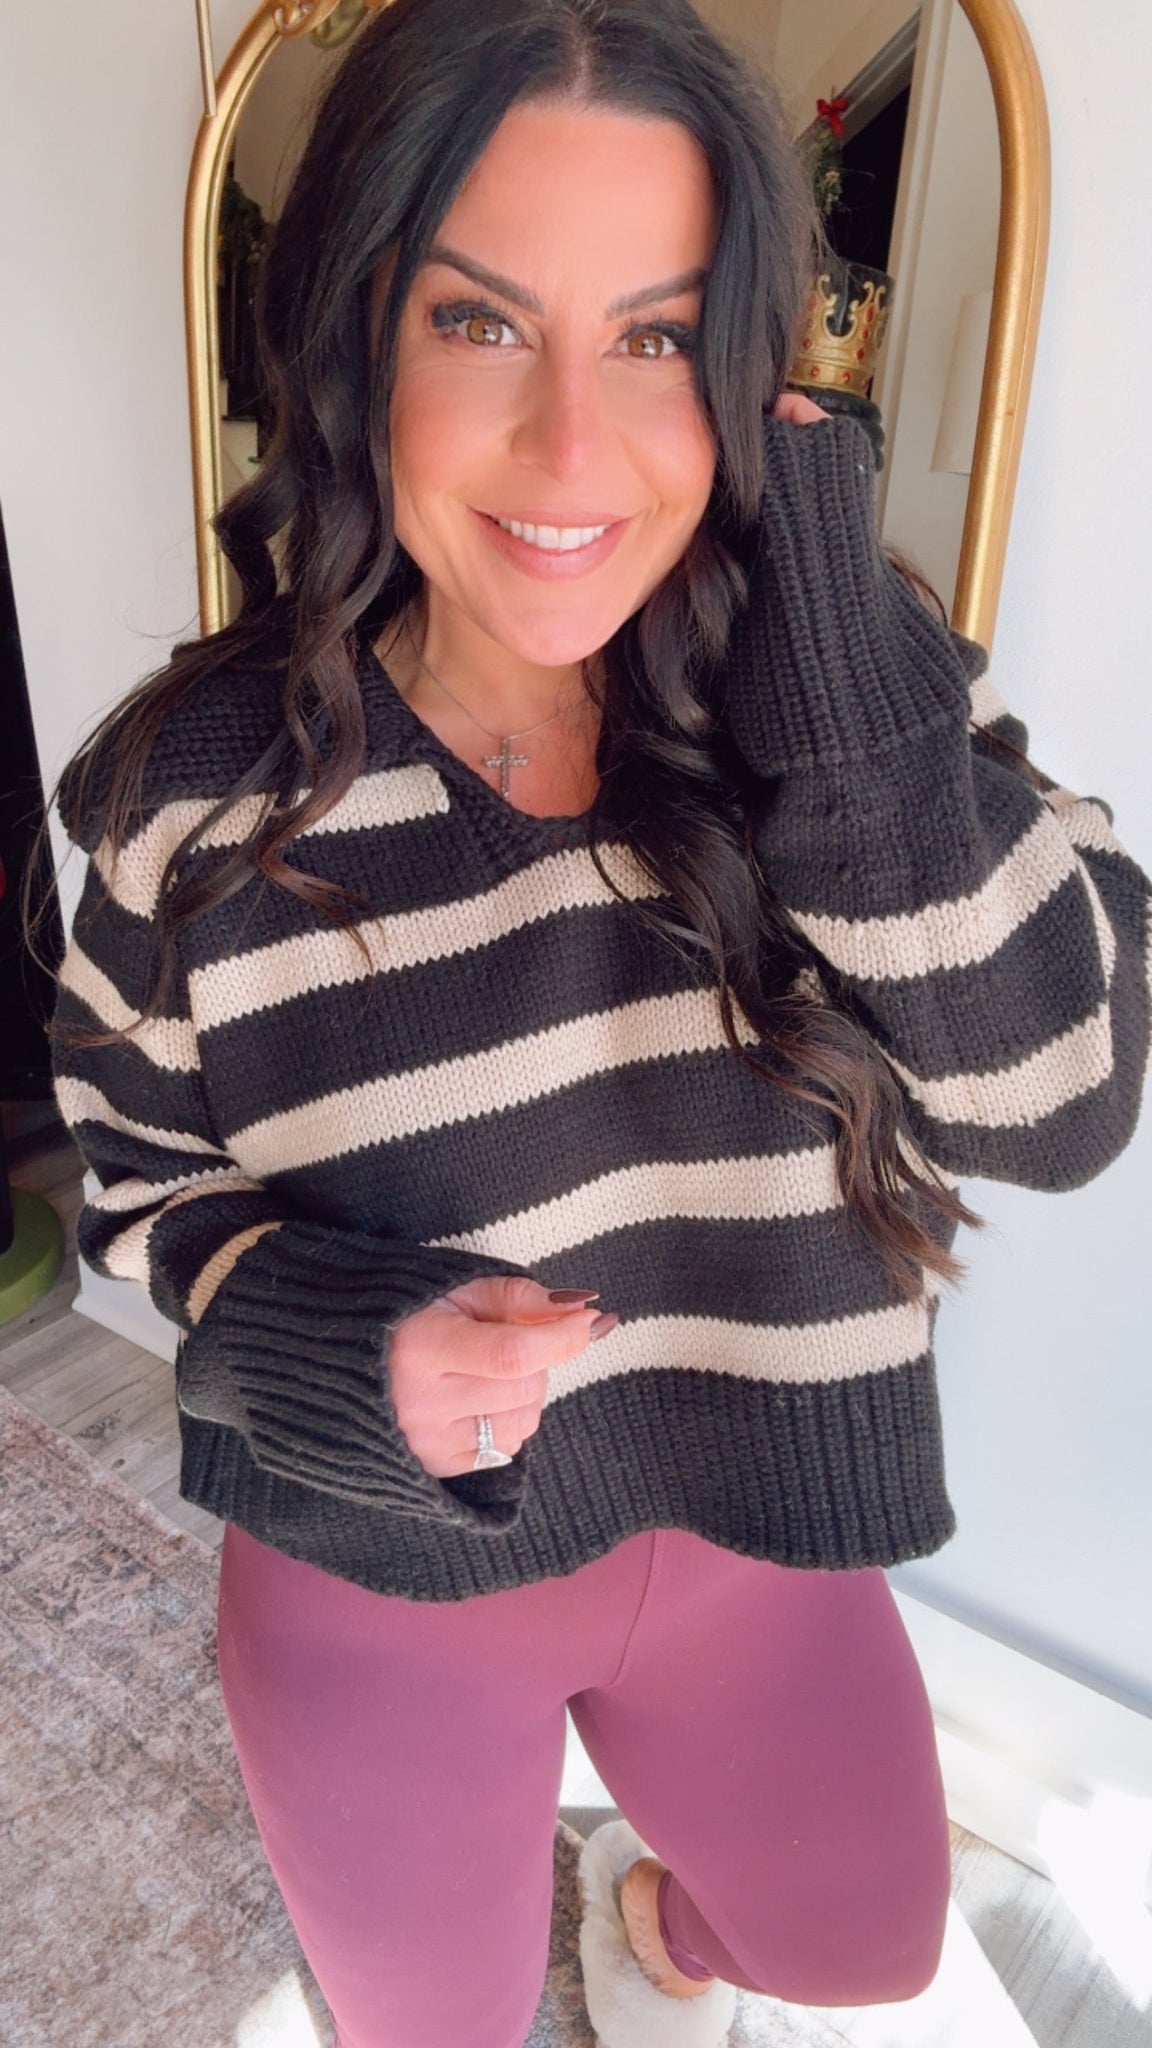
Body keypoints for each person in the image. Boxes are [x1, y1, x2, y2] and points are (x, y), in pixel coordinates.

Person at [33, 0, 1150, 2044]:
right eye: (479, 323)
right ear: (354, 337)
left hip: (755, 1530)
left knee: (862, 1952)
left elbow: (1058, 1103)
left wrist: (832, 647)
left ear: (748, 373)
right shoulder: (190, 798)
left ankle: (651, 1912)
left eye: (657, 338)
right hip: (378, 1575)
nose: (573, 450)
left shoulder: (851, 696)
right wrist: (355, 1343)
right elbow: (141, 1191)